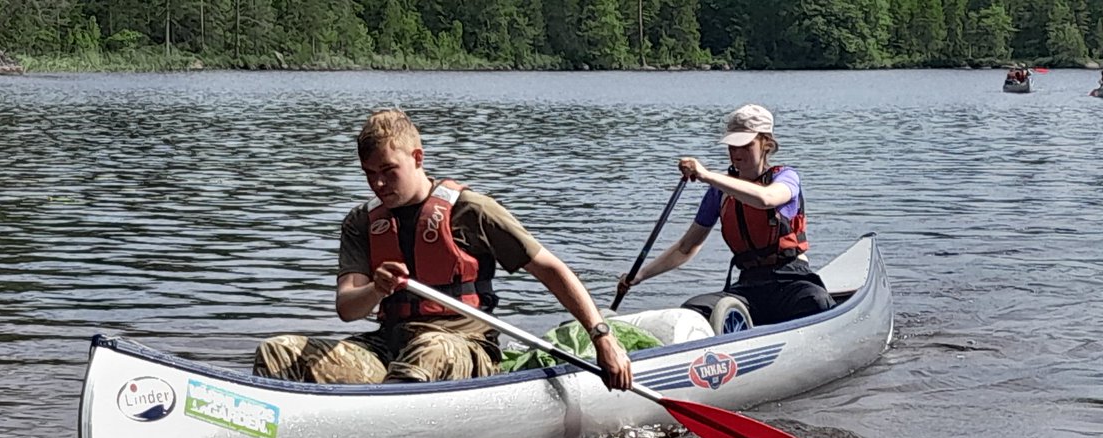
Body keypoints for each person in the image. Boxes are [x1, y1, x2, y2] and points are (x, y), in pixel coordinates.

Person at [253, 109, 632, 390]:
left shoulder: (471, 210)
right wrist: (377, 289)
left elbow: (552, 270)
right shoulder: (361, 222)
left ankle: (380, 437)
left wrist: (603, 337)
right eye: (369, 173)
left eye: (389, 170)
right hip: (389, 348)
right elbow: (348, 309)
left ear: (417, 159)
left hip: (465, 348)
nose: (379, 183)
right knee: (279, 351)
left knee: (431, 348)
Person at [616, 104, 833, 326]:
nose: (736, 153)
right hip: (749, 285)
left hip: (791, 279)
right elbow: (685, 248)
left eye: (745, 145)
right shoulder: (719, 192)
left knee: (815, 301)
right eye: (732, 146)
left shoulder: (786, 178)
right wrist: (640, 276)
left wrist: (706, 175)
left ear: (766, 143)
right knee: (693, 310)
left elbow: (766, 198)